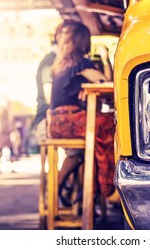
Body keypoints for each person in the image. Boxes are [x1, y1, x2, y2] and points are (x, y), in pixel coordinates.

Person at [48, 21, 115, 206]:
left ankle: (86, 191)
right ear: (82, 41)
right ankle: (108, 188)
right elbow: (106, 82)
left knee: (83, 149)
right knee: (111, 125)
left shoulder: (62, 64)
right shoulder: (80, 63)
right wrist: (105, 58)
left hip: (56, 123)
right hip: (69, 121)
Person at [30, 24, 63, 146]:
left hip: (49, 118)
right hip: (46, 119)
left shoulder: (54, 60)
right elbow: (49, 96)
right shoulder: (50, 62)